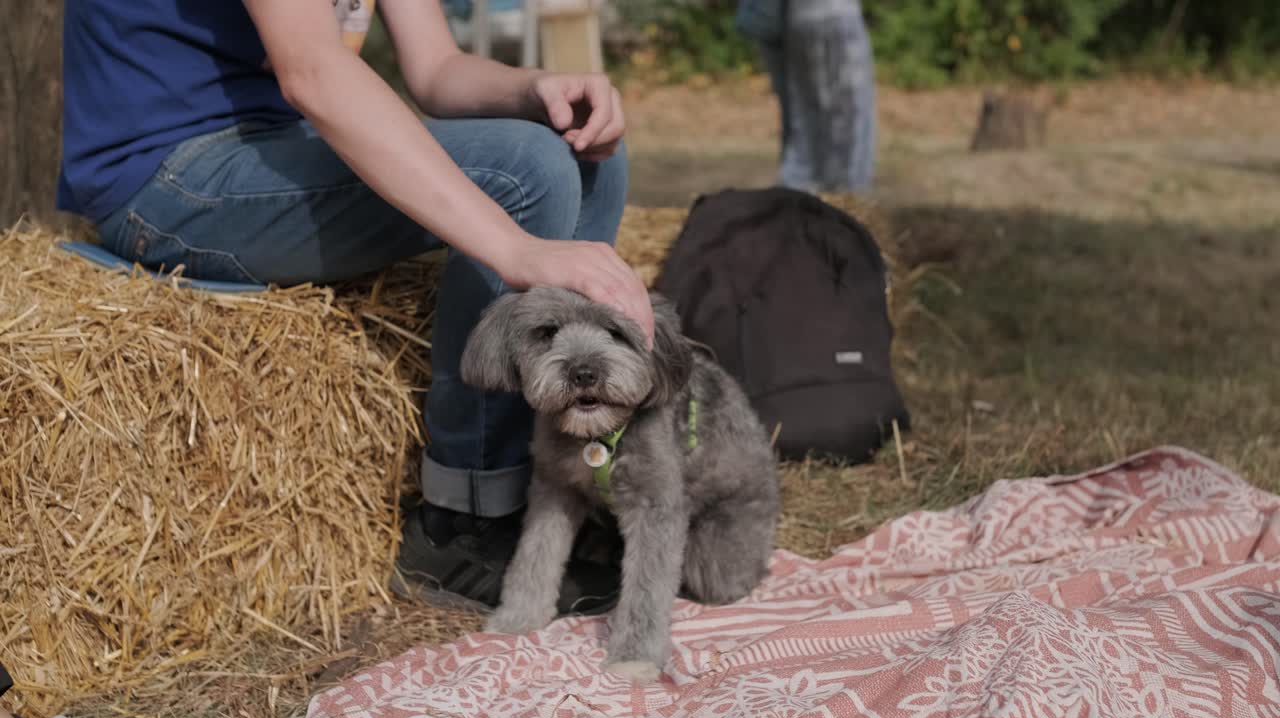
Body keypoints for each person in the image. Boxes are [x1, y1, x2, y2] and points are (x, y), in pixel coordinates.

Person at [58, 0, 654, 613]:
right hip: (164, 175)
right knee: (529, 169)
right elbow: (313, 71)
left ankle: (560, 486)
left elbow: (436, 70)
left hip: (277, 137)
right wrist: (514, 249)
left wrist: (536, 89)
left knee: (584, 149)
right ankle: (462, 522)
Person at [736, 0, 878, 192]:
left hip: (788, 19)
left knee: (804, 122)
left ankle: (805, 197)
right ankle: (839, 196)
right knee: (847, 125)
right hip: (828, 15)